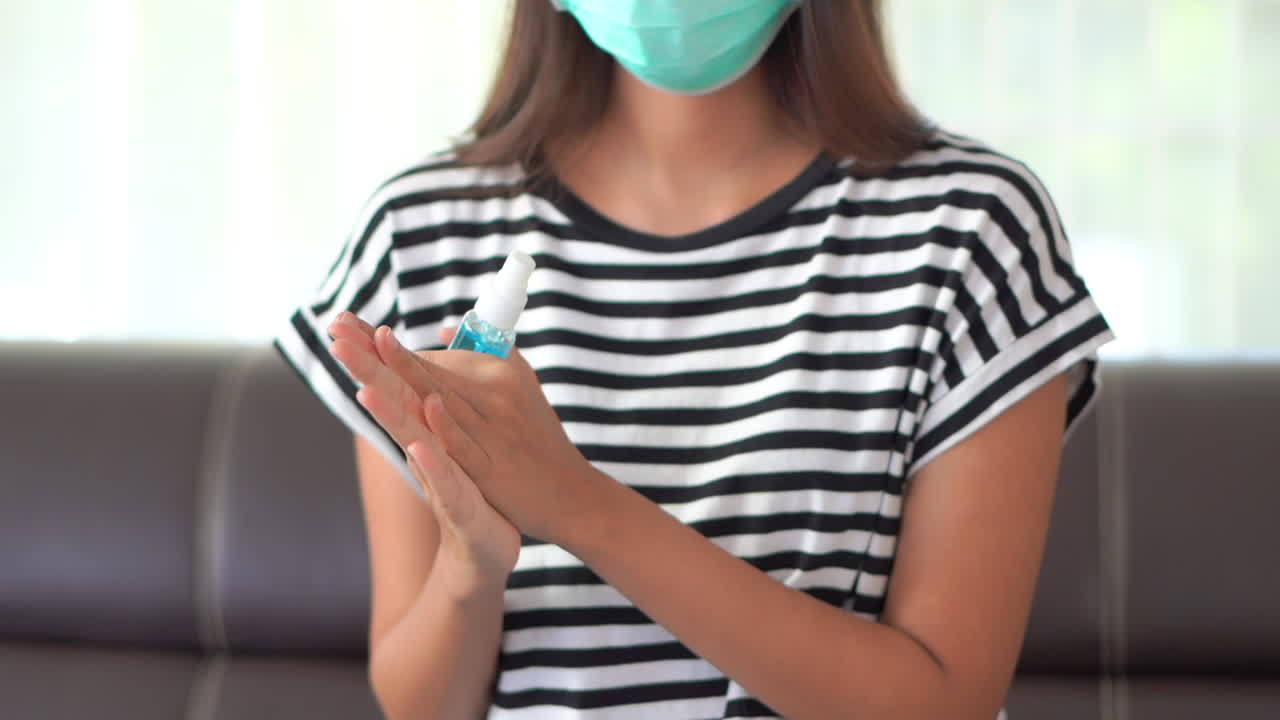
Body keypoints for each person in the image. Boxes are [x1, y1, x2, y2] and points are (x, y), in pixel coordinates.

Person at [274, 1, 1115, 718]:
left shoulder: (971, 231)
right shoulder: (417, 234)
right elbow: (421, 705)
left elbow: (946, 702)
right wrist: (472, 564)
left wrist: (576, 505)